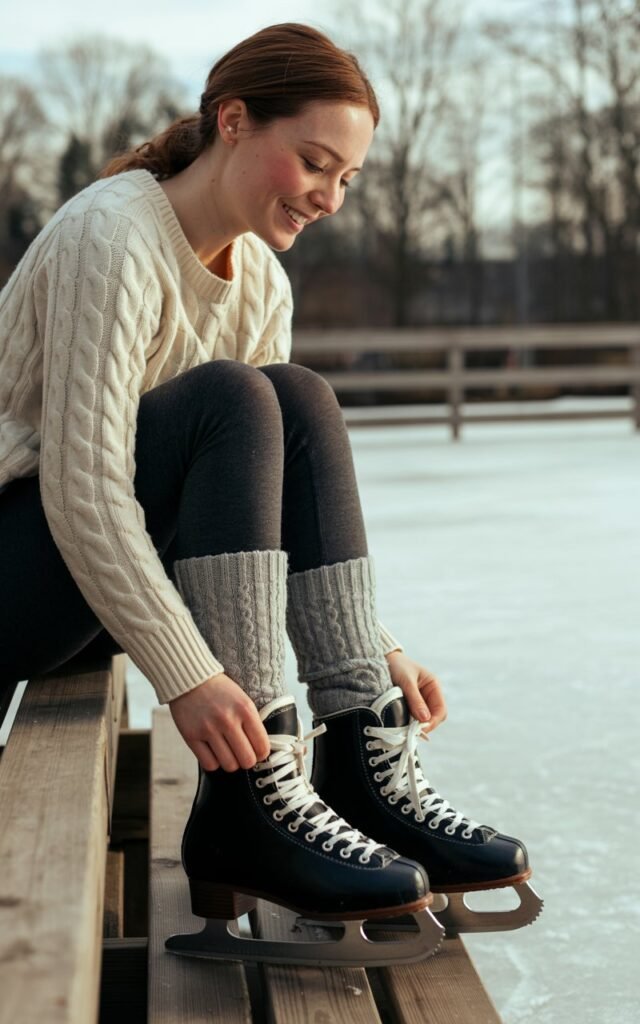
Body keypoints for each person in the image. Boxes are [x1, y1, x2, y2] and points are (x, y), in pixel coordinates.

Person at [0, 23, 530, 926]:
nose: (329, 197)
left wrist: (377, 645)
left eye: (346, 180)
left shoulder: (259, 283)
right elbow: (82, 490)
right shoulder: (111, 234)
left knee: (298, 398)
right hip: (20, 572)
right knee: (236, 398)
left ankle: (361, 759)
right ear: (234, 120)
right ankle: (251, 793)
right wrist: (192, 677)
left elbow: (259, 511)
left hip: (96, 592)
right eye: (314, 162)